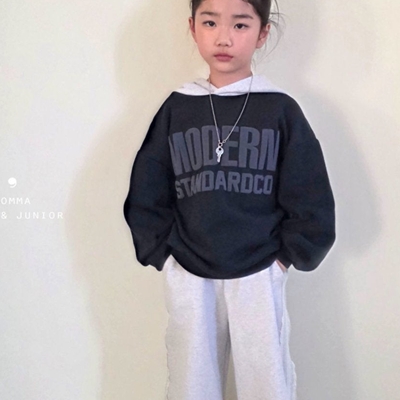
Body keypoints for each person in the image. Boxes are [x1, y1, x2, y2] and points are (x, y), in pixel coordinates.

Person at [123, 0, 336, 398]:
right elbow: (148, 189)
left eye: (240, 25)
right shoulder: (177, 107)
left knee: (266, 383)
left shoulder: (280, 109)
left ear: (262, 33)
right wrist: (163, 254)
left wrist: (285, 258)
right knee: (191, 384)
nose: (224, 38)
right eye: (210, 23)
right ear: (193, 27)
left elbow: (310, 194)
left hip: (259, 270)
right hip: (190, 270)